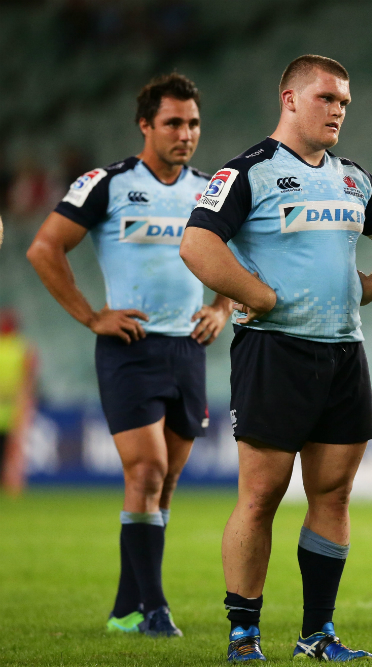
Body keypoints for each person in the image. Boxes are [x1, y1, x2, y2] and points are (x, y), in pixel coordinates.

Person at [179, 55, 372, 663]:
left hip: (342, 350)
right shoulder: (249, 172)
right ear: (290, 99)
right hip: (274, 352)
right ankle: (243, 634)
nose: (338, 110)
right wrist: (252, 294)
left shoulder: (353, 179)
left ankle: (318, 634)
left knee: (332, 496)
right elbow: (197, 241)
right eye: (327, 98)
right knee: (261, 495)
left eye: (344, 102)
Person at [26, 73, 230, 637]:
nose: (185, 133)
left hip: (188, 351)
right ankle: (156, 610)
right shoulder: (106, 184)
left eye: (192, 123)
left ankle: (125, 608)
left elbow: (240, 257)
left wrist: (222, 307)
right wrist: (92, 315)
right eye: (173, 123)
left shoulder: (209, 190)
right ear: (145, 125)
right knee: (146, 469)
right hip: (129, 348)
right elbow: (44, 248)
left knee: (161, 487)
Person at [0, 308, 36, 497]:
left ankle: (13, 488)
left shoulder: (23, 348)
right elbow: (30, 380)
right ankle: (13, 489)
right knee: (13, 453)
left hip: (13, 405)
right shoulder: (24, 347)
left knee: (13, 452)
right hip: (15, 405)